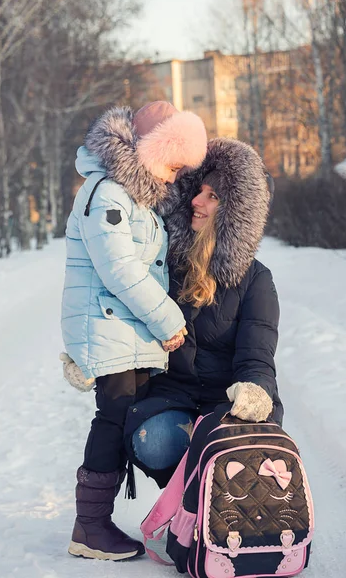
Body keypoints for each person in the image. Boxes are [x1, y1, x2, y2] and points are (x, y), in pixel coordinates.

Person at [60, 101, 207, 561]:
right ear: (150, 151)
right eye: (174, 164)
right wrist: (168, 319)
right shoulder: (108, 195)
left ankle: (159, 517)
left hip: (126, 328)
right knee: (113, 418)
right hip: (109, 326)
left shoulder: (133, 196)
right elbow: (120, 270)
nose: (174, 176)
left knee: (127, 417)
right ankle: (90, 528)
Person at [124, 136, 283, 488]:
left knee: (223, 449)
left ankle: (214, 515)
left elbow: (257, 356)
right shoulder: (165, 263)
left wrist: (256, 391)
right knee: (160, 441)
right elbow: (125, 309)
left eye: (213, 197)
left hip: (226, 404)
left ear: (237, 213)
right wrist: (93, 359)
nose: (196, 201)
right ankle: (187, 511)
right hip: (171, 397)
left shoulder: (256, 280)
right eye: (199, 191)